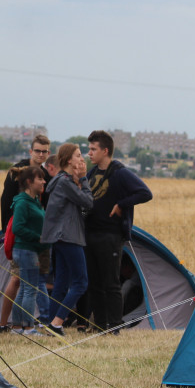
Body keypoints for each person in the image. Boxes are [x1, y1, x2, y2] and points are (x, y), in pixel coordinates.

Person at [84, 130, 153, 333]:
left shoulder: (120, 173)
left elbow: (145, 193)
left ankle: (114, 326)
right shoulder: (92, 173)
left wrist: (122, 204)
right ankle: (99, 325)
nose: (90, 153)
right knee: (94, 283)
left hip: (111, 235)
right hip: (91, 234)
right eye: (89, 149)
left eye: (93, 149)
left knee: (111, 283)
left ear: (105, 151)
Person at [0, 135, 54, 332]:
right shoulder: (17, 173)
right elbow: (6, 203)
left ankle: (18, 324)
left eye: (45, 151)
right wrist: (7, 233)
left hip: (33, 239)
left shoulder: (44, 174)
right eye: (38, 150)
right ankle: (5, 323)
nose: (41, 154)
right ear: (30, 151)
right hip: (19, 236)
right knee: (17, 280)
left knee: (24, 280)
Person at [40, 143, 93, 337]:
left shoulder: (60, 181)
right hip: (69, 237)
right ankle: (56, 323)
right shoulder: (65, 183)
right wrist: (85, 178)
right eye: (78, 156)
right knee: (80, 282)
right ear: (69, 160)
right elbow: (88, 202)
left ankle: (51, 326)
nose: (82, 159)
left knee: (61, 283)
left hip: (59, 238)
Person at [9, 166, 48, 335]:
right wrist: (37, 238)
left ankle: (17, 327)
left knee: (25, 288)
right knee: (31, 289)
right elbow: (18, 227)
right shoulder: (23, 202)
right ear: (29, 182)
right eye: (40, 179)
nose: (44, 182)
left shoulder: (34, 201)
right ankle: (29, 327)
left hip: (28, 250)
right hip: (26, 250)